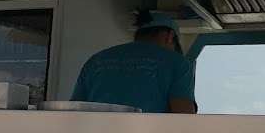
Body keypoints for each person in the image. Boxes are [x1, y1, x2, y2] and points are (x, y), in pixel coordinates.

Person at [69, 11, 199, 114]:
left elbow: (73, 111)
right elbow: (184, 116)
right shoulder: (177, 62)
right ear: (170, 36)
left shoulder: (95, 61)